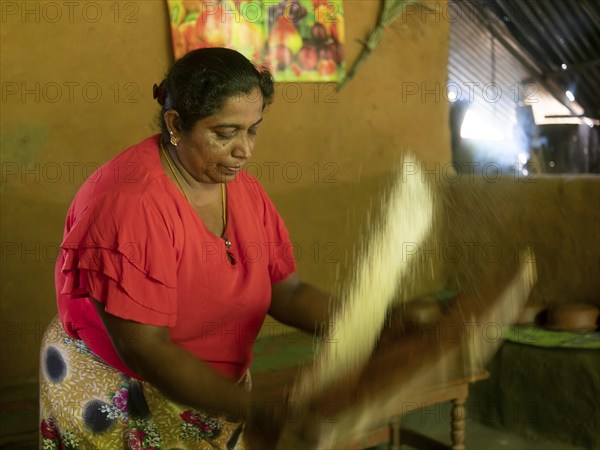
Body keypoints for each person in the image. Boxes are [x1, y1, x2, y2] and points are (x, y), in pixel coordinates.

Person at [40, 47, 330, 450]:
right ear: (175, 124)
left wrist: (367, 321)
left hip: (211, 389)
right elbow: (148, 350)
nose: (245, 150)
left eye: (253, 130)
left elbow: (288, 291)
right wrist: (259, 410)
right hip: (128, 393)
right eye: (225, 133)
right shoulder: (130, 205)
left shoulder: (240, 190)